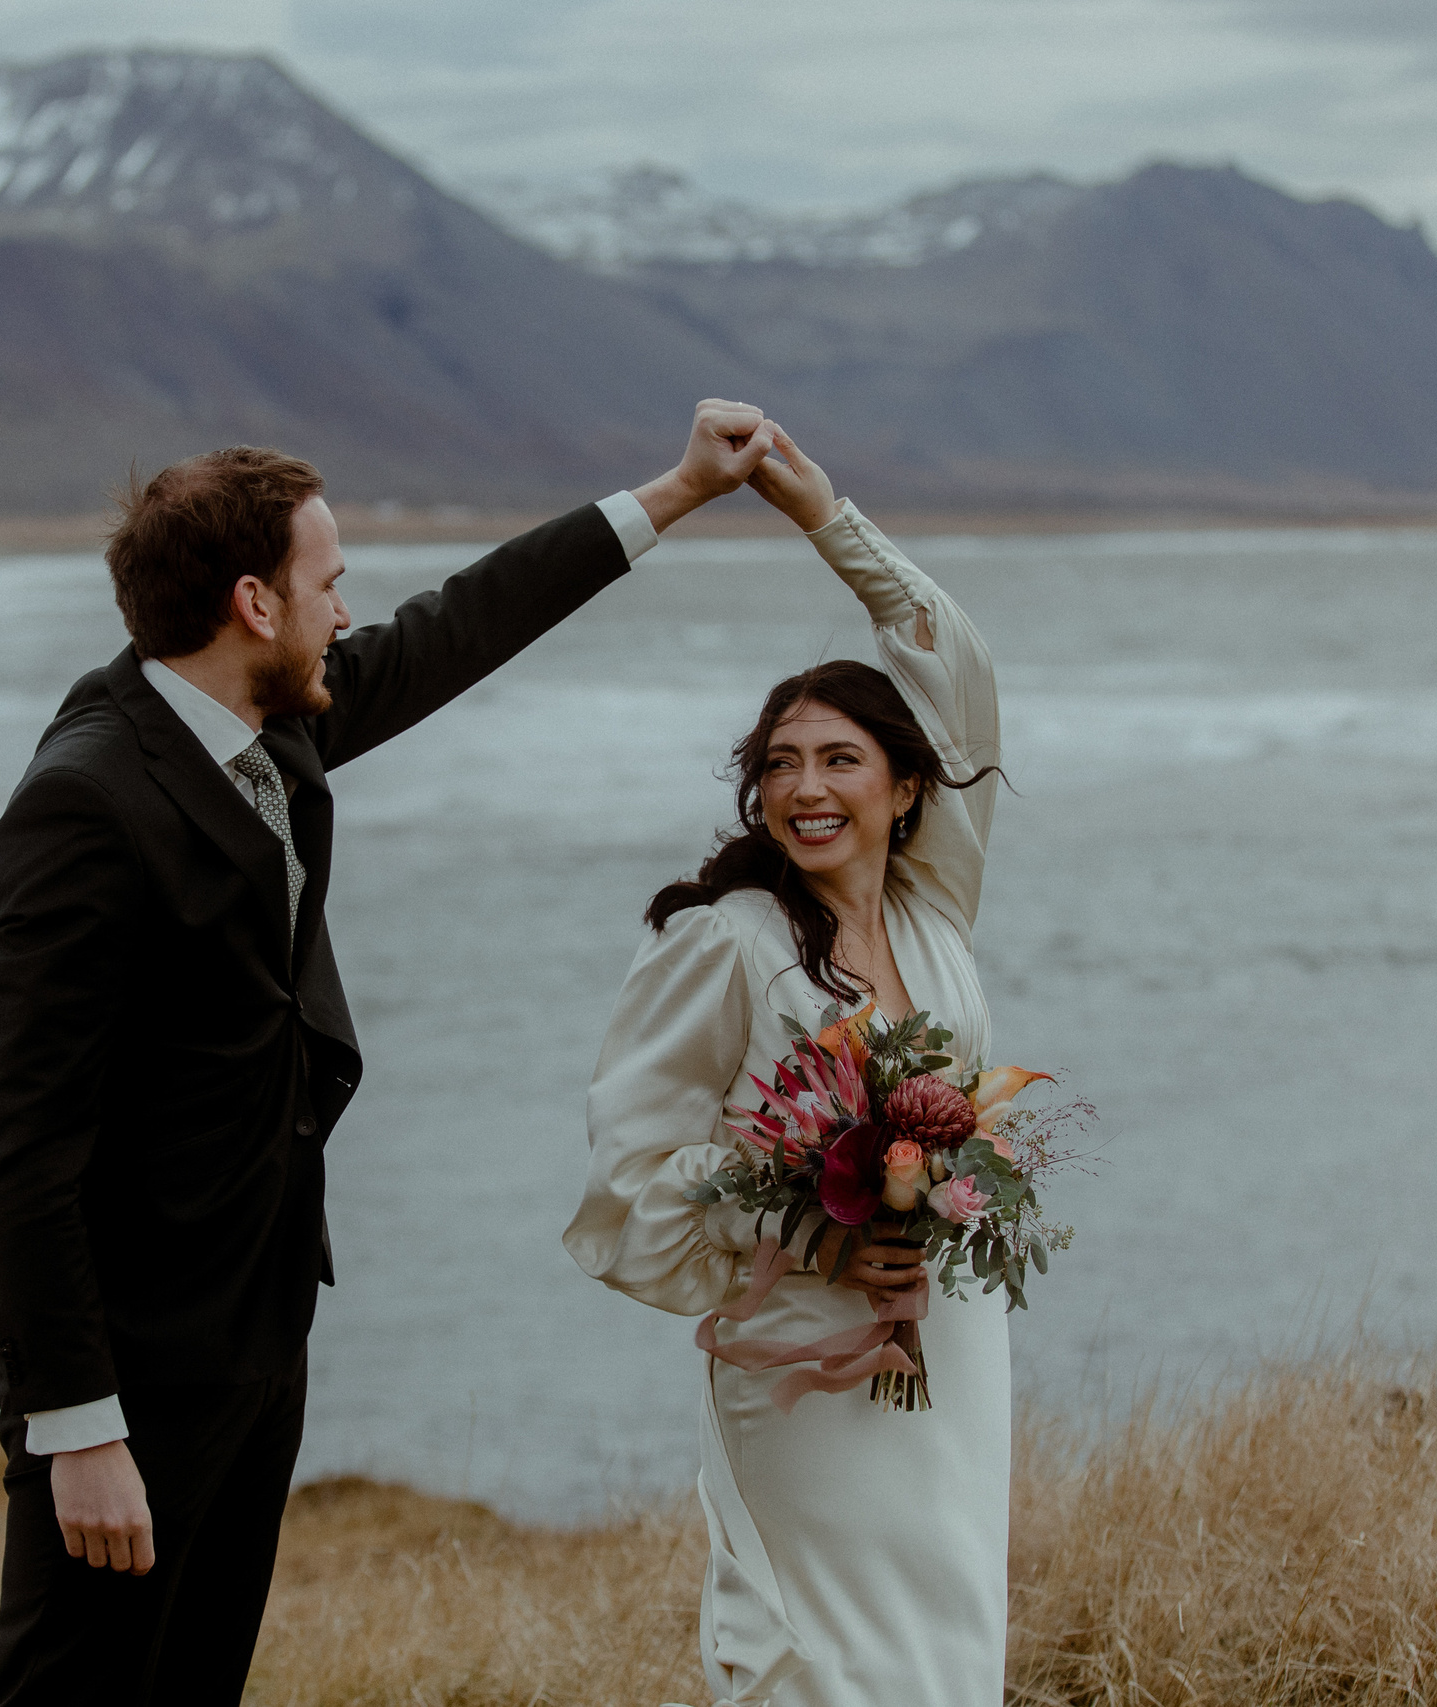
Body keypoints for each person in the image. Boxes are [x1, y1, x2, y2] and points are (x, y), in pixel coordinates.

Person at [0, 401, 776, 1705]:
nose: (349, 612)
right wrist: (78, 1424)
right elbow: (22, 1139)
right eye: (329, 583)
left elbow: (455, 627)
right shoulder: (86, 798)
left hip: (260, 1314)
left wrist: (675, 492)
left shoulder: (255, 719)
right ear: (255, 602)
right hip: (134, 1364)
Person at [564, 424, 1009, 1707]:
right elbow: (629, 1179)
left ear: (908, 789)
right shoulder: (727, 947)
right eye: (777, 764)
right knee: (823, 1662)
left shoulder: (937, 907)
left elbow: (954, 658)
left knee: (947, 1641)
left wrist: (820, 511)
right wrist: (817, 1232)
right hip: (803, 1359)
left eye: (838, 760)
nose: (803, 789)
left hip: (951, 1341)